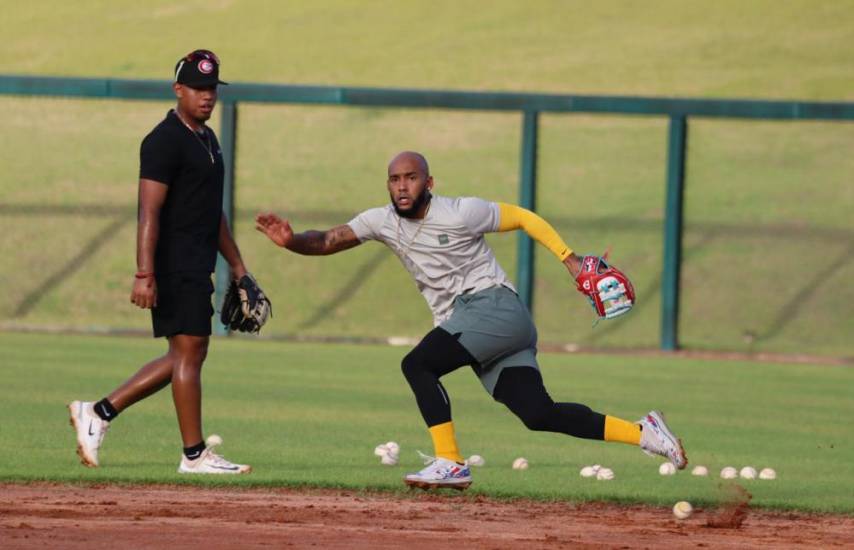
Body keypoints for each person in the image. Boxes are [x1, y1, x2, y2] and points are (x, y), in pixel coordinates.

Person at [255, 151, 687, 489]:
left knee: (417, 364)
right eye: (395, 178)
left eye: (411, 177)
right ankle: (646, 434)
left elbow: (522, 217)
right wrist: (292, 241)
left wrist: (570, 260)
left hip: (493, 308)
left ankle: (450, 462)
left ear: (429, 182)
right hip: (488, 326)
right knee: (538, 413)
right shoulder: (382, 221)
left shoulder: (460, 212)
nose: (402, 186)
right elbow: (329, 239)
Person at [68, 50, 257, 475]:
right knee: (189, 353)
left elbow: (214, 212)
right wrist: (144, 273)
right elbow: (148, 211)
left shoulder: (208, 139)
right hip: (173, 264)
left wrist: (239, 266)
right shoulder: (163, 140)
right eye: (197, 88)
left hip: (198, 262)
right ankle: (193, 455)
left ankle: (97, 412)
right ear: (179, 90)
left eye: (211, 88)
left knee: (189, 352)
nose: (207, 96)